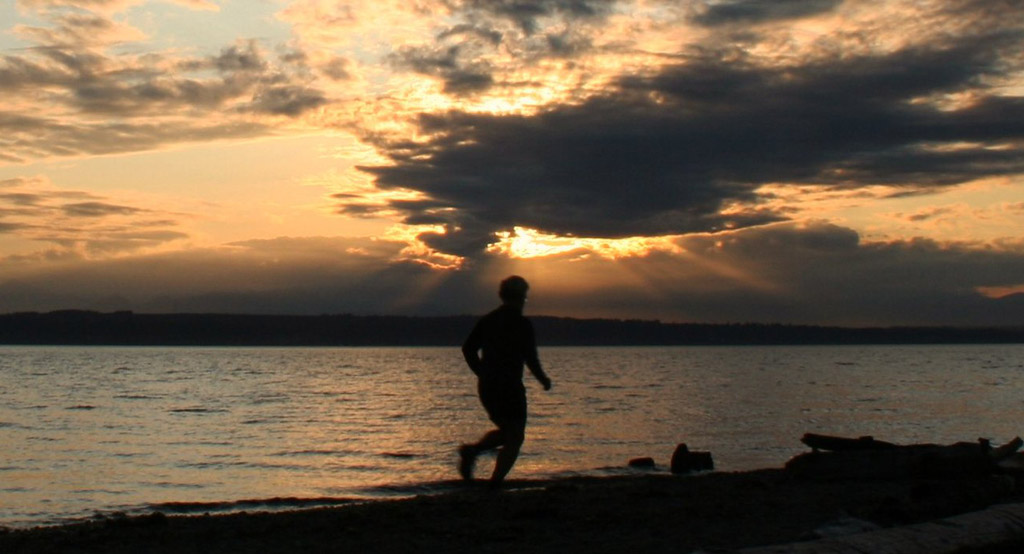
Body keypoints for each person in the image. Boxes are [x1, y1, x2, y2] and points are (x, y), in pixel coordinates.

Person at [459, 275, 552, 488]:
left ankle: (473, 451)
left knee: (508, 432)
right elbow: (530, 357)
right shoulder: (521, 324)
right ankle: (495, 483)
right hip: (509, 386)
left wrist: (481, 373)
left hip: (488, 386)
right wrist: (543, 379)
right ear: (521, 298)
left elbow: (468, 349)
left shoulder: (489, 319)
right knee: (515, 435)